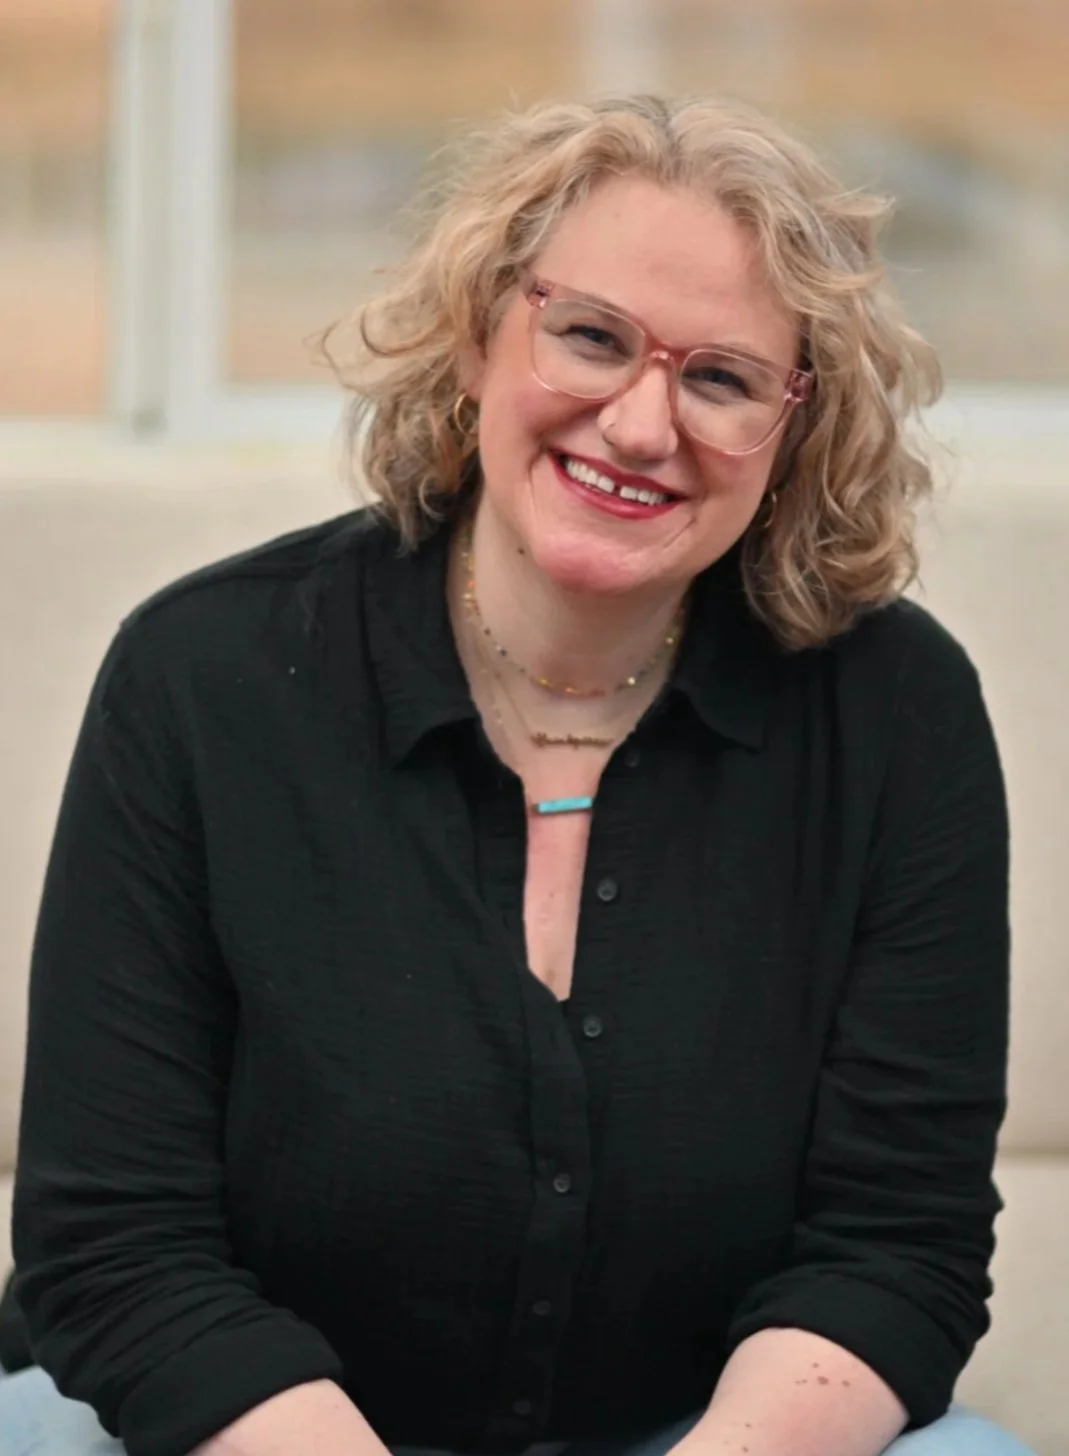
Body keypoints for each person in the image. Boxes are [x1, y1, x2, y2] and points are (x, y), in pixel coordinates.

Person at [0, 93, 1031, 1456]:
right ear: (484, 332)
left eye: (720, 377)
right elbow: (115, 1244)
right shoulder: (204, 679)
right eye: (592, 336)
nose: (642, 422)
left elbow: (895, 1247)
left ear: (794, 431)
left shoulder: (899, 713)